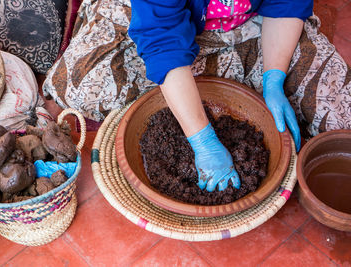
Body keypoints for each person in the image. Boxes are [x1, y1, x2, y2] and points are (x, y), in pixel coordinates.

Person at [43, 0, 351, 192]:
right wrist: (203, 140)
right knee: (82, 84)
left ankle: (218, 77)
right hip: (156, 16)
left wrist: (274, 77)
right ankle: (201, 81)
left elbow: (286, 3)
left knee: (339, 107)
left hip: (249, 25)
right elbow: (162, 38)